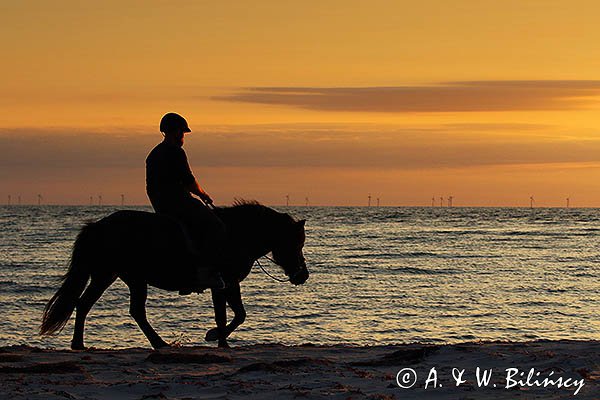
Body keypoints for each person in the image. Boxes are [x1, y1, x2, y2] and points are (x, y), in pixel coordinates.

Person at [146, 112, 226, 294]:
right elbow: (189, 181)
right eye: (182, 133)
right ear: (174, 132)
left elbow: (150, 185)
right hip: (178, 201)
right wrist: (203, 195)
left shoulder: (153, 154)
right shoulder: (176, 152)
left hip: (160, 204)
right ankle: (205, 273)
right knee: (216, 226)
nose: (183, 137)